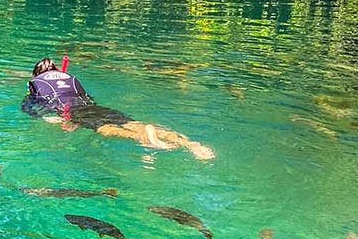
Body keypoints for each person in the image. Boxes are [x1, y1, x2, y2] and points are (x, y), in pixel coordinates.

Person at [22, 56, 214, 161]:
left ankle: (140, 138)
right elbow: (86, 98)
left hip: (74, 113)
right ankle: (192, 145)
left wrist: (49, 118)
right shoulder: (69, 79)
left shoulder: (36, 84)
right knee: (131, 123)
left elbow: (29, 107)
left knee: (105, 129)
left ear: (36, 74)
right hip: (95, 107)